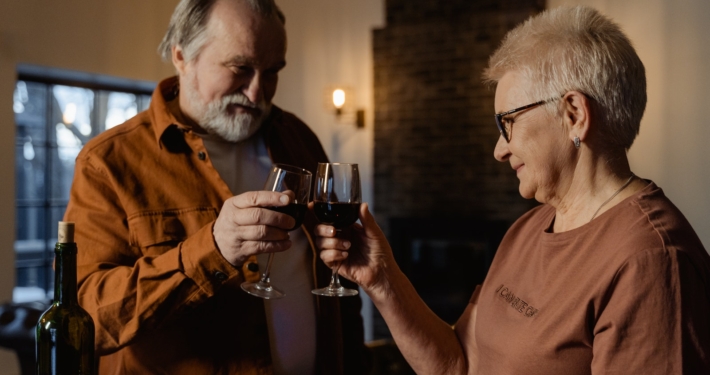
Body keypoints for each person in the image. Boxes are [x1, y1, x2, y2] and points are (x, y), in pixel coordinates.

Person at [316, 5, 710, 374]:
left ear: (573, 114)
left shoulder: (652, 261)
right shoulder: (528, 229)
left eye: (508, 122)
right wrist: (382, 279)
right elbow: (458, 364)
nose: (499, 150)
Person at [64, 0, 368, 373]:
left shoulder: (299, 139)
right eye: (240, 68)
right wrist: (213, 250)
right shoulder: (108, 161)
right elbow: (84, 319)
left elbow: (342, 295)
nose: (258, 93)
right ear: (181, 55)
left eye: (272, 71)